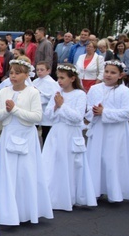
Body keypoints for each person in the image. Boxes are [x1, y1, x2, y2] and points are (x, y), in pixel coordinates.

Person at [0, 59, 54, 225]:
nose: (13, 76)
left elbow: (37, 117)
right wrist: (6, 111)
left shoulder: (33, 92)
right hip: (9, 134)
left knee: (25, 173)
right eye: (11, 72)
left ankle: (25, 210)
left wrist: (15, 110)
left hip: (26, 135)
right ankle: (6, 209)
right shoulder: (5, 91)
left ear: (27, 75)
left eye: (17, 73)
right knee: (8, 172)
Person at [85, 60, 129, 202]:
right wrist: (94, 112)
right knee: (95, 157)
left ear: (120, 75)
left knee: (111, 159)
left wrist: (105, 112)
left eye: (113, 73)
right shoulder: (95, 89)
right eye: (107, 71)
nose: (108, 75)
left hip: (115, 132)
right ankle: (94, 190)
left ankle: (113, 191)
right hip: (98, 128)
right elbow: (88, 110)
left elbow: (127, 113)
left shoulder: (125, 91)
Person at [41, 64, 96, 211]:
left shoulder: (80, 94)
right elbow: (48, 115)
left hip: (71, 133)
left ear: (72, 78)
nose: (59, 81)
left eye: (62, 78)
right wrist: (56, 107)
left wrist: (62, 107)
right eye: (58, 77)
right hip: (57, 132)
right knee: (53, 162)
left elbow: (77, 117)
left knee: (71, 164)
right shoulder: (57, 92)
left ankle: (69, 195)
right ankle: (52, 196)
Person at [32, 61, 60, 142]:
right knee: (33, 130)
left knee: (46, 133)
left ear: (48, 71)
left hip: (45, 110)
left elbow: (52, 97)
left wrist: (39, 94)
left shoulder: (52, 83)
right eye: (37, 70)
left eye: (42, 70)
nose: (39, 72)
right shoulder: (35, 81)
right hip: (36, 110)